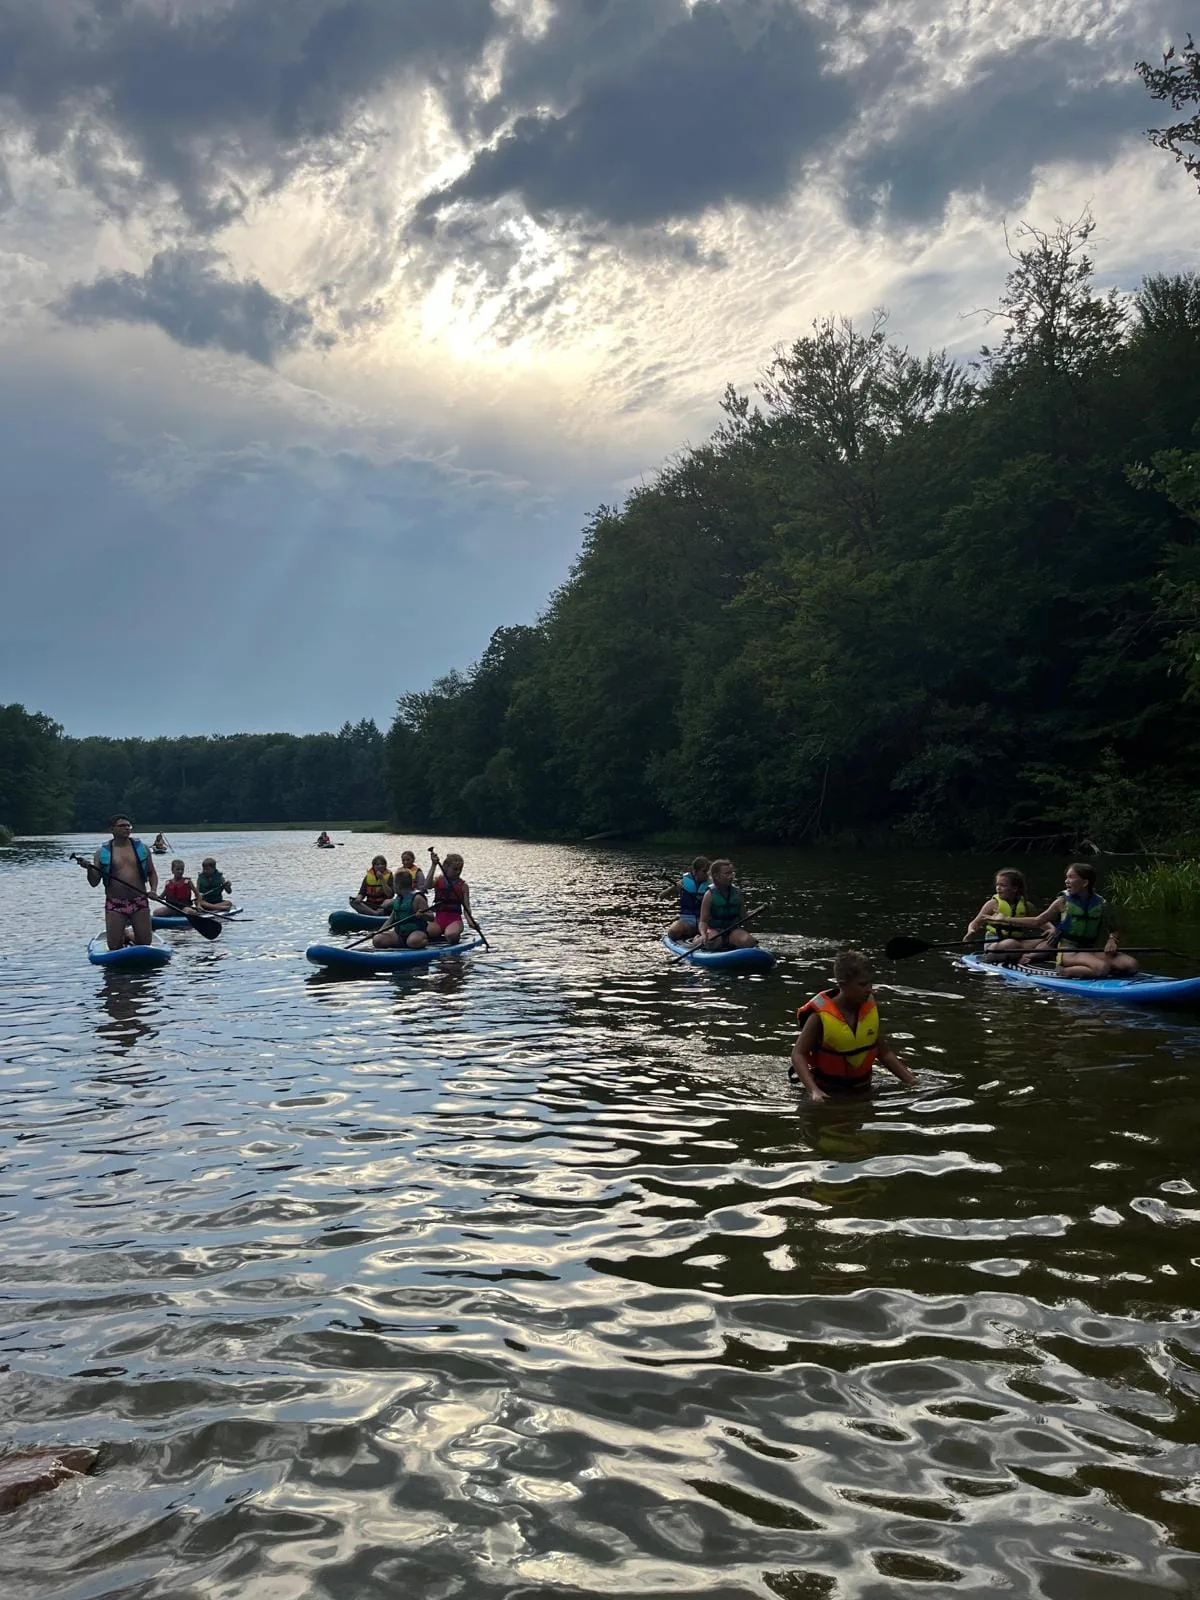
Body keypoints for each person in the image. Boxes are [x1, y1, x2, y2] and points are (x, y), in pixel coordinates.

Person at [790, 950, 917, 1102]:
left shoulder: (868, 1010)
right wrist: (814, 1091)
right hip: (828, 1093)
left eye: (871, 982)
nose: (869, 989)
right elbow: (798, 1054)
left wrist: (912, 1081)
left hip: (864, 1090)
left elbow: (885, 1053)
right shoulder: (819, 1016)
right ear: (842, 983)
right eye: (862, 984)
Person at [994, 861, 1138, 978]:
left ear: (1085, 882)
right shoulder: (1062, 902)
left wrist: (1112, 939)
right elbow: (1037, 921)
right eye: (1066, 877)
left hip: (1091, 949)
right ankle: (1064, 971)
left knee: (1131, 965)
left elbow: (1114, 929)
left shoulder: (1101, 904)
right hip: (1069, 952)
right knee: (1102, 968)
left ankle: (1091, 969)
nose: (1066, 881)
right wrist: (1006, 919)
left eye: (1071, 877)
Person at [86, 814, 159, 951]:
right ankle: (123, 934)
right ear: (112, 829)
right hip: (115, 903)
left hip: (139, 901)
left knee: (144, 943)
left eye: (128, 826)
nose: (127, 828)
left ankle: (129, 935)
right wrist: (90, 869)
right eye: (122, 826)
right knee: (113, 946)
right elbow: (94, 882)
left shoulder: (142, 849)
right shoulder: (101, 853)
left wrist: (153, 890)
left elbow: (152, 873)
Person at [964, 867, 1041, 958]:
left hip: (1018, 943)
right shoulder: (992, 904)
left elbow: (1040, 921)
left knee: (1049, 941)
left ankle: (1030, 956)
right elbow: (975, 923)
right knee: (1011, 943)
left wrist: (1051, 931)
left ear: (1015, 888)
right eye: (997, 885)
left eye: (1003, 885)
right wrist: (971, 931)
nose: (998, 888)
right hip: (994, 945)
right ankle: (1021, 954)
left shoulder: (1027, 906)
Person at [698, 859, 758, 950]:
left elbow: (744, 917)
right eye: (727, 874)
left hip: (732, 930)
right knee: (715, 942)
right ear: (716, 876)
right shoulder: (709, 895)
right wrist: (703, 934)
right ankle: (697, 940)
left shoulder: (737, 893)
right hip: (714, 930)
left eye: (732, 873)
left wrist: (757, 911)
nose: (731, 877)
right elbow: (703, 921)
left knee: (748, 941)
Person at [372, 869, 430, 949]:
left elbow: (431, 917)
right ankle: (403, 944)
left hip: (416, 932)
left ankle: (422, 941)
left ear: (398, 886)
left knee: (413, 941)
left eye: (394, 884)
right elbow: (390, 920)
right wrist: (378, 932)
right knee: (377, 940)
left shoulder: (417, 898)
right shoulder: (398, 899)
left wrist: (423, 915)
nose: (393, 887)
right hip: (399, 934)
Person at [427, 850, 474, 944]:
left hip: (454, 920)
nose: (458, 872)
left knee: (450, 935)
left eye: (460, 869)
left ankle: (453, 936)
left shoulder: (463, 886)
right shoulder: (438, 880)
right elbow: (427, 885)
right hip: (439, 919)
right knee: (426, 932)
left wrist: (470, 921)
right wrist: (434, 865)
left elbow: (466, 908)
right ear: (445, 868)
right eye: (455, 869)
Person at [666, 855, 711, 943]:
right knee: (673, 932)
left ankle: (698, 938)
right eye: (704, 871)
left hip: (704, 922)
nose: (706, 874)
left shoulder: (712, 885)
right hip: (687, 920)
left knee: (712, 936)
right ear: (695, 871)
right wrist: (676, 888)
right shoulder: (684, 882)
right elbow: (662, 895)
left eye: (708, 872)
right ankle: (692, 937)